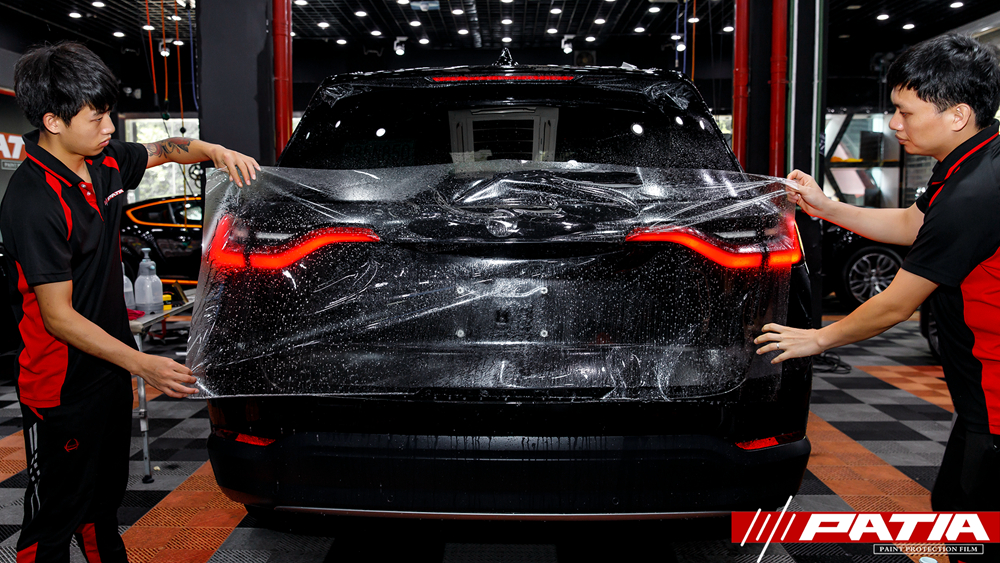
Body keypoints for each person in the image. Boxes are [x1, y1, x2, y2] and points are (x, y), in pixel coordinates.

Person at [0, 42, 259, 562]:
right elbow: (58, 316)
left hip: (109, 369)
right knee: (55, 516)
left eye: (110, 114)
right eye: (96, 118)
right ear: (53, 122)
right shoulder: (33, 200)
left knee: (103, 504)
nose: (110, 127)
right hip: (60, 385)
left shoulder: (105, 161)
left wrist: (214, 151)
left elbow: (167, 148)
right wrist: (144, 364)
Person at [757, 33, 999, 526]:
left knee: (969, 520)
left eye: (905, 112)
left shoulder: (974, 194)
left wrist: (816, 338)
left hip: (995, 395)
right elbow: (913, 224)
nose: (893, 123)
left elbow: (897, 304)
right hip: (983, 390)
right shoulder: (973, 160)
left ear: (957, 115)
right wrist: (827, 207)